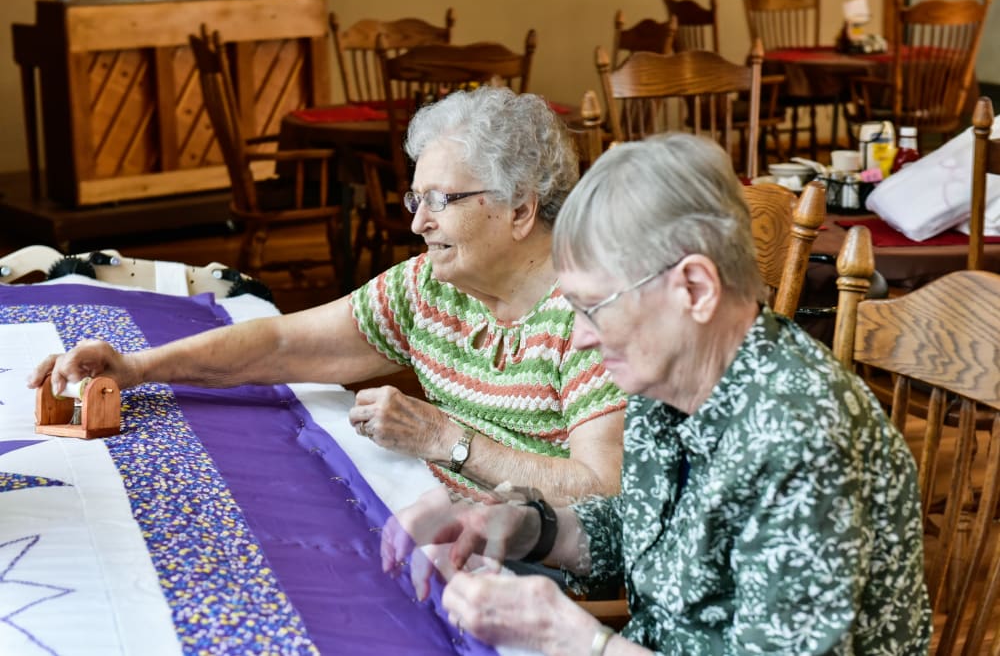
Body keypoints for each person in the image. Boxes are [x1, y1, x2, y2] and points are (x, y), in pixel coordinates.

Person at [382, 133, 932, 655]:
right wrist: (529, 525)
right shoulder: (671, 377)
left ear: (694, 289)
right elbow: (652, 536)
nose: (581, 336)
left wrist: (573, 637)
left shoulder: (803, 436)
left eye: (595, 307)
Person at [28, 86, 626, 503]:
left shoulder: (596, 319)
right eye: (416, 201)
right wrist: (137, 368)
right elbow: (285, 343)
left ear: (520, 209)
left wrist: (448, 440)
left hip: (530, 577)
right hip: (443, 525)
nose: (419, 224)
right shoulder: (430, 286)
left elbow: (605, 489)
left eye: (442, 201)